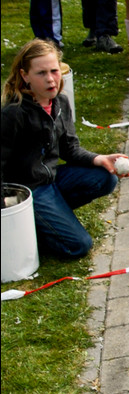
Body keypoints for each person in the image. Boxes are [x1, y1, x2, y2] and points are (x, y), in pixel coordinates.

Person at [1, 39, 121, 259]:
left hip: (53, 179)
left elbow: (70, 149)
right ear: (25, 75)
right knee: (79, 246)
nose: (50, 79)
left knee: (106, 177)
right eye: (41, 73)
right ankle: (36, 227)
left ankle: (50, 217)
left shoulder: (60, 102)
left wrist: (100, 158)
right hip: (29, 191)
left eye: (54, 71)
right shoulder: (14, 113)